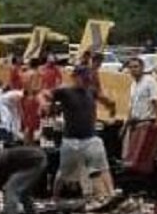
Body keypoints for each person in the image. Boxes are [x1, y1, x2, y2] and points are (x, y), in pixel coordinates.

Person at [47, 65, 116, 204]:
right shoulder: (65, 92)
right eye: (82, 77)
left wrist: (111, 108)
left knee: (102, 167)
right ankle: (55, 197)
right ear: (75, 77)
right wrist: (48, 106)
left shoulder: (91, 92)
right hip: (71, 140)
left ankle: (111, 194)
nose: (85, 80)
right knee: (63, 172)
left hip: (90, 138)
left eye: (87, 78)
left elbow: (107, 101)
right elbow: (47, 95)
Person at [123, 55, 157, 169]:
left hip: (146, 122)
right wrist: (126, 124)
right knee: (133, 154)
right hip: (134, 123)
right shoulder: (133, 84)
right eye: (131, 67)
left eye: (136, 67)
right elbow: (131, 105)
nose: (133, 69)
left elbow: (156, 101)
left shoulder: (150, 82)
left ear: (142, 67)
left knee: (143, 154)